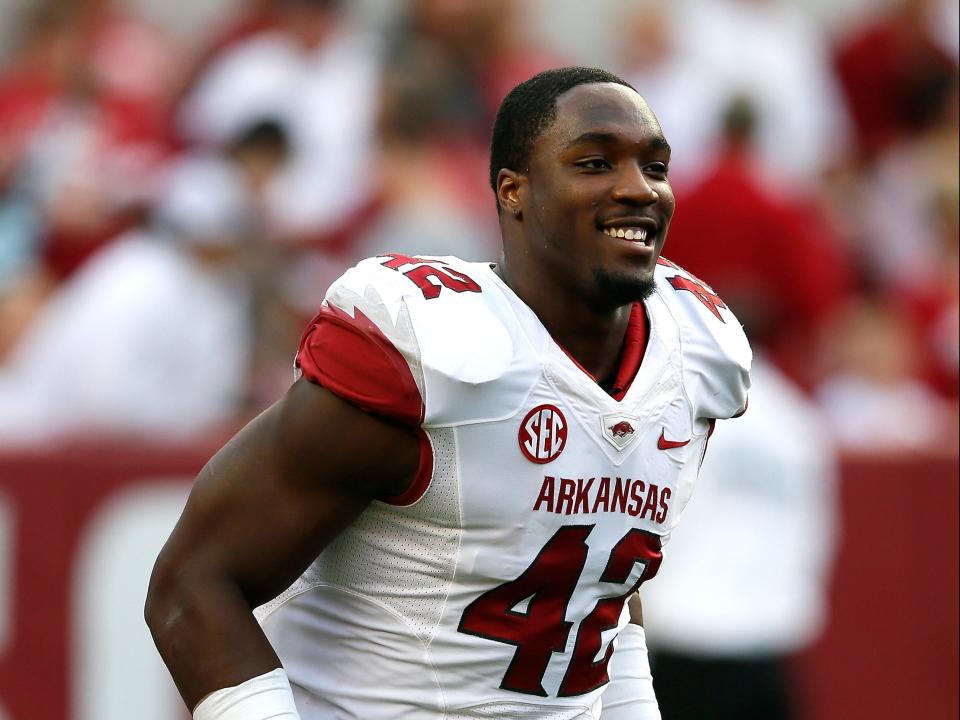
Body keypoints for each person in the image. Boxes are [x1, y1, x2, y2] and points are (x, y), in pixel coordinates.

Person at [146, 67, 751, 720]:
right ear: (514, 192)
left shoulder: (690, 356)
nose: (638, 189)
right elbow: (192, 584)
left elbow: (598, 589)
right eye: (597, 162)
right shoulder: (429, 357)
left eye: (655, 167)